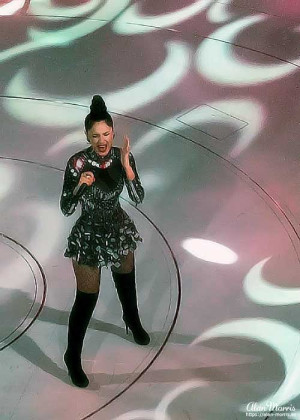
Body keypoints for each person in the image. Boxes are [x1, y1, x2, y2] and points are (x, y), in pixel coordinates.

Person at [60, 95, 150, 388]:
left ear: (113, 132)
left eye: (107, 134)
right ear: (87, 135)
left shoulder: (123, 155)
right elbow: (66, 208)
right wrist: (78, 186)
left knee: (127, 279)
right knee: (88, 297)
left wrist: (127, 167)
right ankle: (72, 356)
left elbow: (137, 198)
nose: (102, 140)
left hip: (117, 226)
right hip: (89, 234)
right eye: (95, 135)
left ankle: (131, 320)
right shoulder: (77, 162)